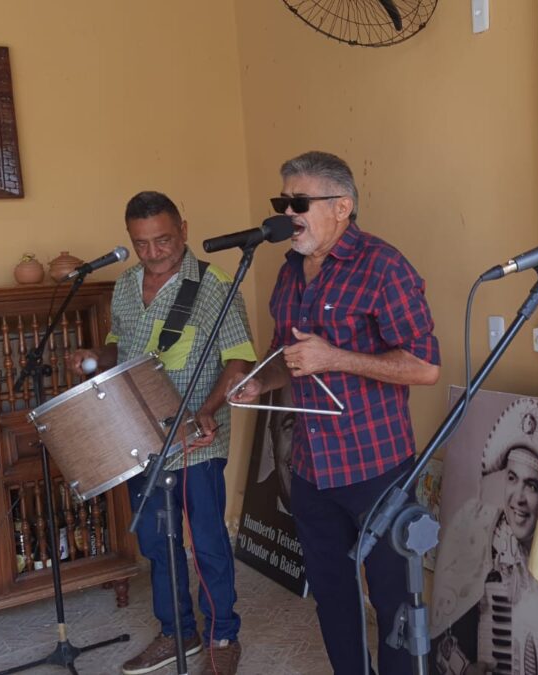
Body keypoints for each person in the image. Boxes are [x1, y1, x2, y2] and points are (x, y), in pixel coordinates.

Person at [228, 151, 441, 674]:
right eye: (283, 201)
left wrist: (336, 358)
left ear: (342, 206)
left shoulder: (383, 265)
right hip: (310, 469)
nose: (287, 213)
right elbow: (288, 360)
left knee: (393, 603)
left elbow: (425, 367)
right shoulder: (289, 271)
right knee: (333, 597)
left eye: (299, 202)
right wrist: (259, 379)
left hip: (376, 468)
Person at [67, 191, 255, 675]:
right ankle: (178, 632)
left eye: (163, 241)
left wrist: (208, 410)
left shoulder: (212, 286)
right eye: (142, 243)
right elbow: (118, 348)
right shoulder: (126, 285)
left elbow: (238, 356)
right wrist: (91, 357)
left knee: (208, 540)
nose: (153, 253)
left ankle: (223, 635)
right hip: (137, 434)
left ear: (184, 230)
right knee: (156, 541)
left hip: (197, 437)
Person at [429, 398, 538, 675]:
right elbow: (444, 641)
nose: (518, 499)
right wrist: (464, 668)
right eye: (512, 478)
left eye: (531, 485)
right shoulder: (482, 538)